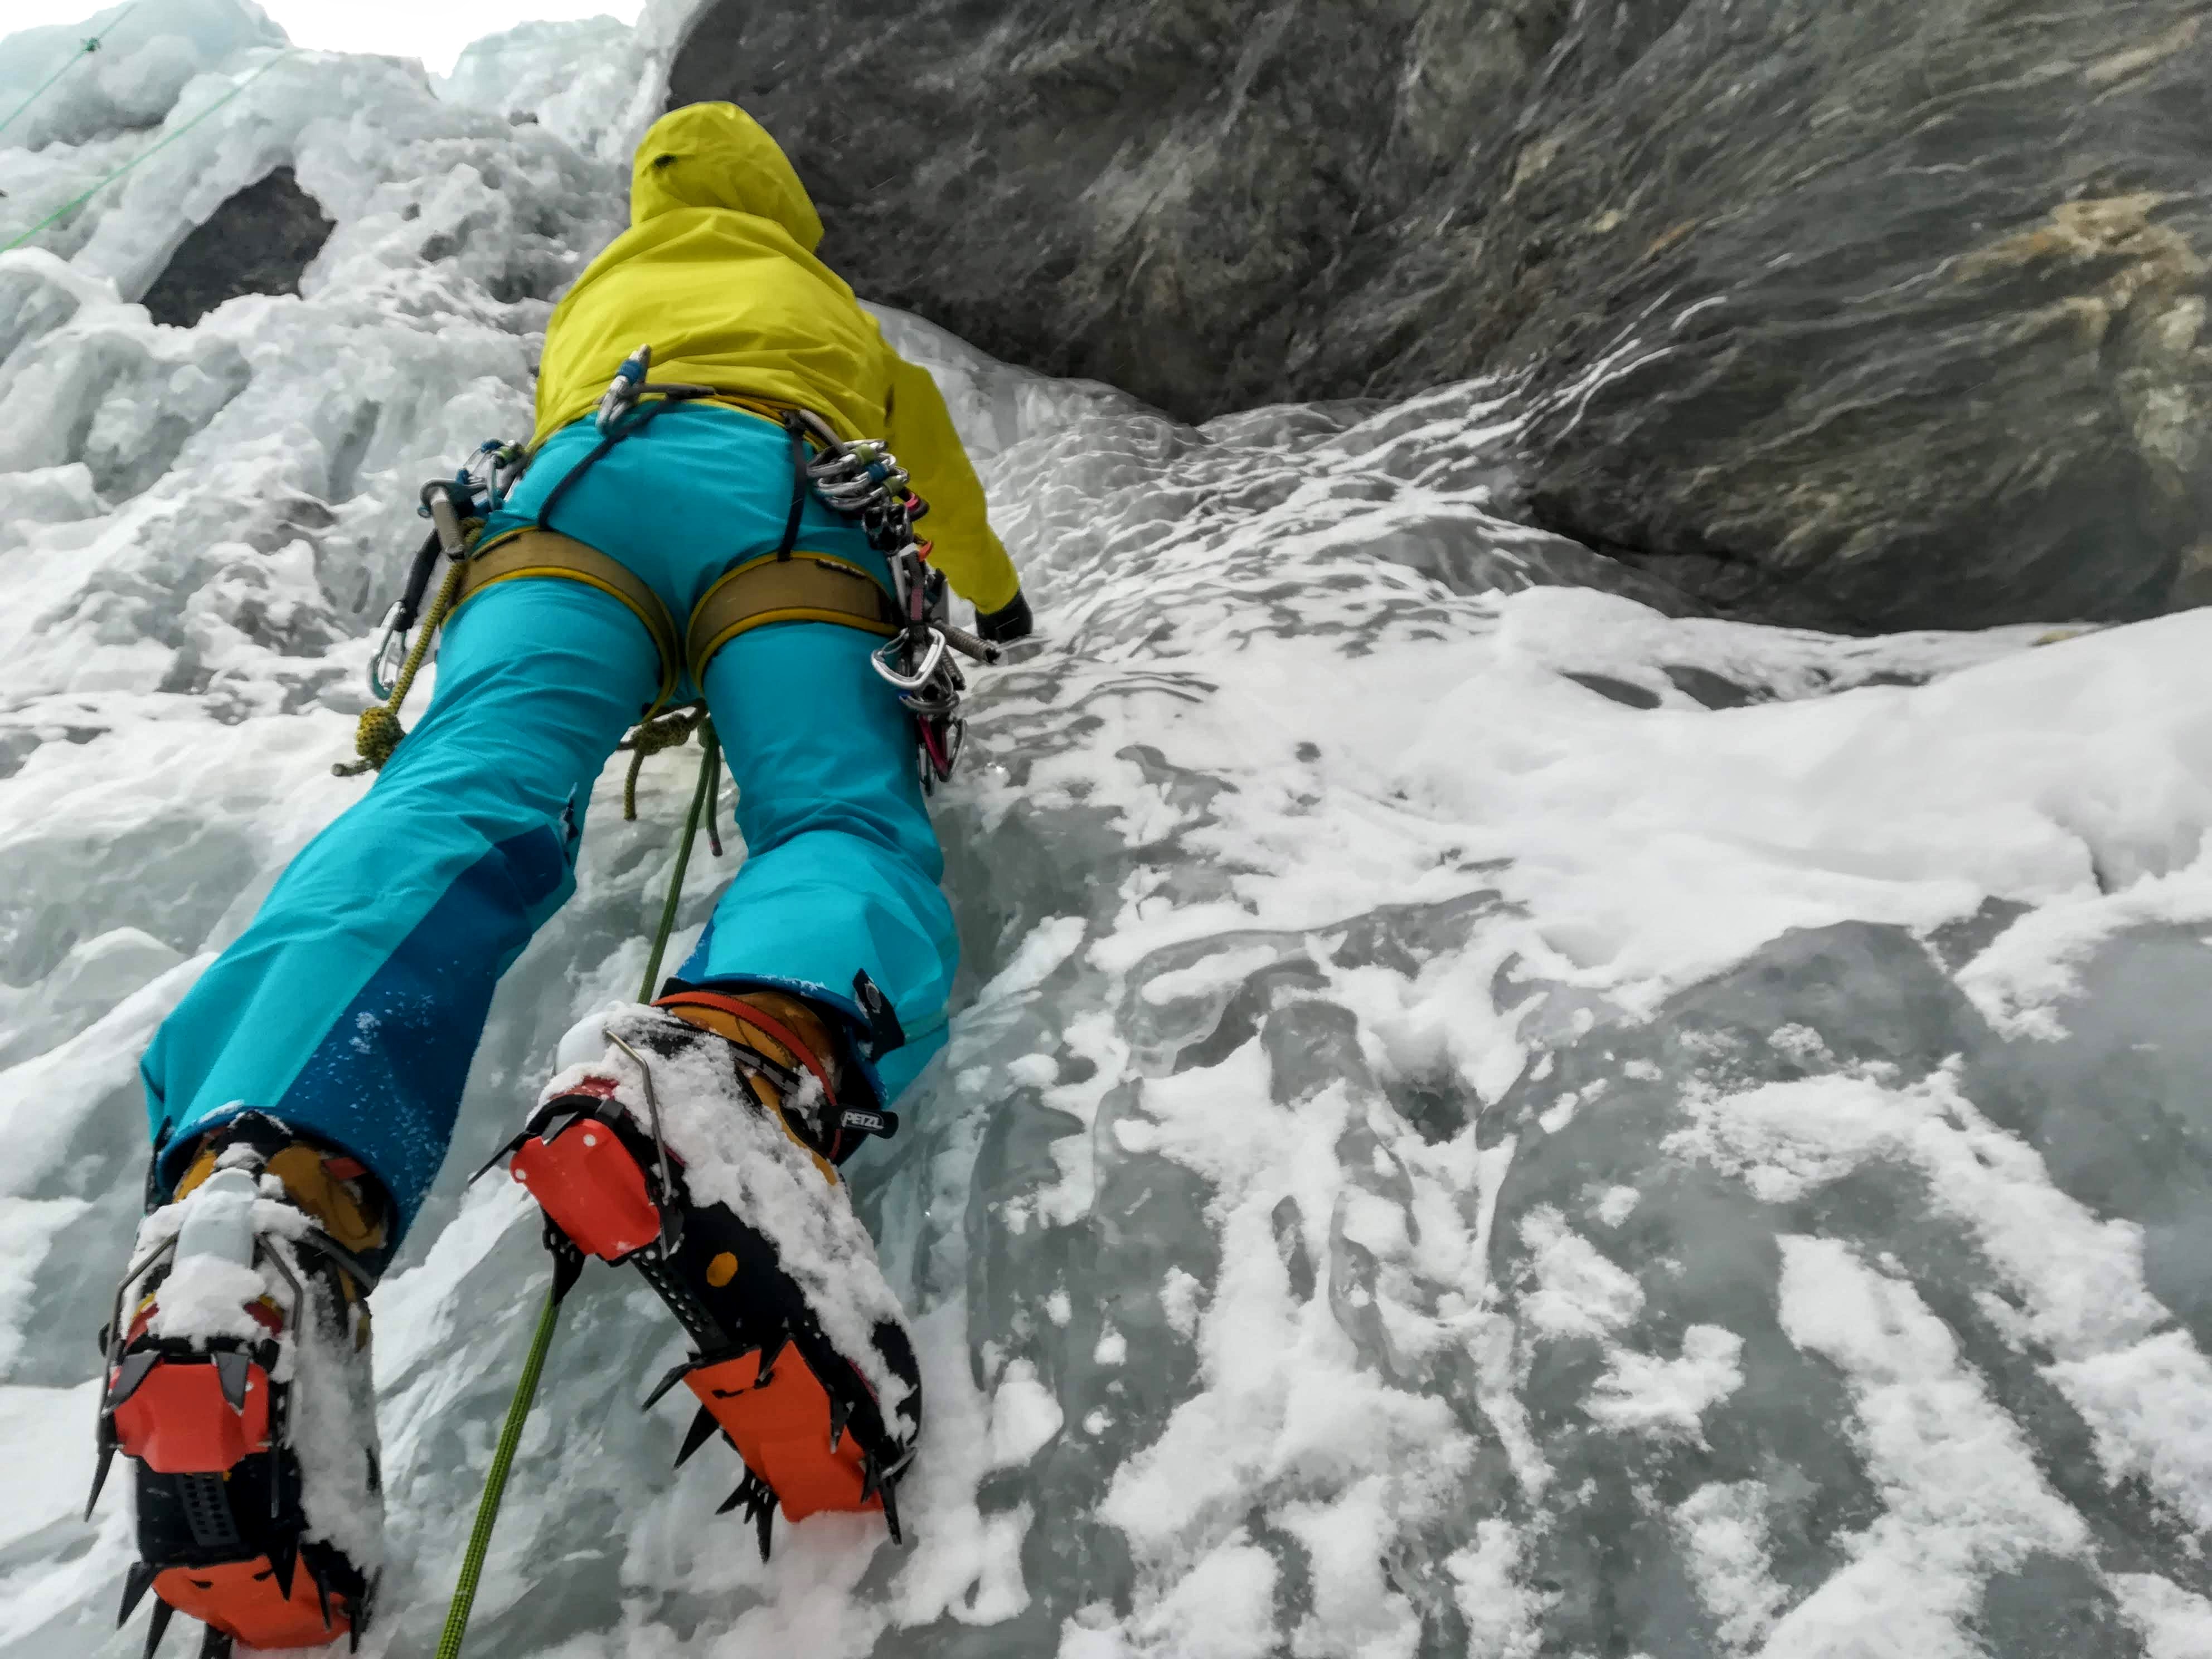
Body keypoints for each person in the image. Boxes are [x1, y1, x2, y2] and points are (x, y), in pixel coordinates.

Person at [95, 101, 1030, 1654]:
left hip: (568, 503)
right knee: (836, 814)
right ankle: (748, 1056)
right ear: (779, 203)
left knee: (454, 800)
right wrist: (995, 609)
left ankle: (256, 1199)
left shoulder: (607, 290)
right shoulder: (822, 304)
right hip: (784, 501)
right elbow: (931, 476)